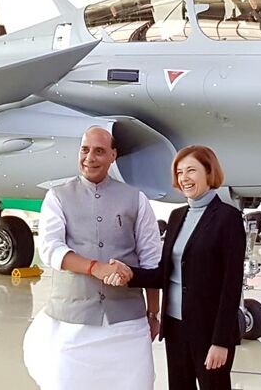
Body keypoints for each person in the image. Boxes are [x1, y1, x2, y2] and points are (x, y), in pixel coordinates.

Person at [22, 127, 162, 390]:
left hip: (126, 325)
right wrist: (94, 268)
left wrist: (153, 312)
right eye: (85, 150)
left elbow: (151, 261)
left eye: (99, 151)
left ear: (113, 156)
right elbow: (50, 248)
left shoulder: (136, 199)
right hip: (71, 322)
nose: (90, 158)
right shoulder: (57, 197)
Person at [108, 145, 246, 390]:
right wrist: (129, 273)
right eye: (180, 172)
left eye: (191, 170)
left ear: (209, 172)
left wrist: (221, 341)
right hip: (176, 327)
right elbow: (165, 273)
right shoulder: (176, 216)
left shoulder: (228, 218)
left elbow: (231, 285)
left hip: (209, 331)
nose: (184, 178)